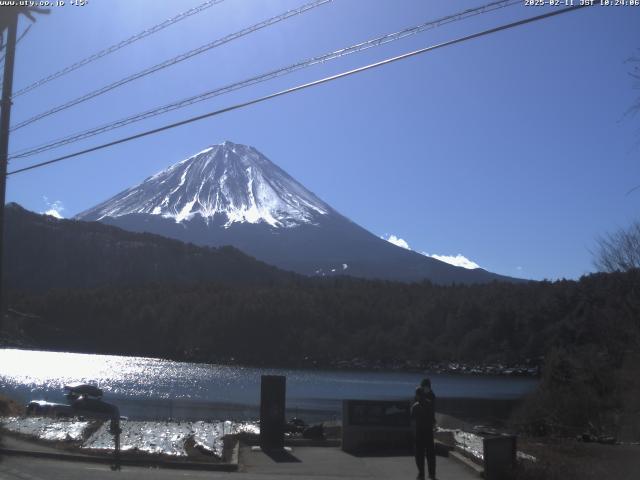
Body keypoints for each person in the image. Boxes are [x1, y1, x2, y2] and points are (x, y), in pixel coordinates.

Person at [411, 378, 436, 480]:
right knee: (428, 452)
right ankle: (429, 474)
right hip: (428, 428)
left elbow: (413, 416)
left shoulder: (420, 400)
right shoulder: (431, 398)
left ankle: (423, 474)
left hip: (421, 429)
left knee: (421, 453)